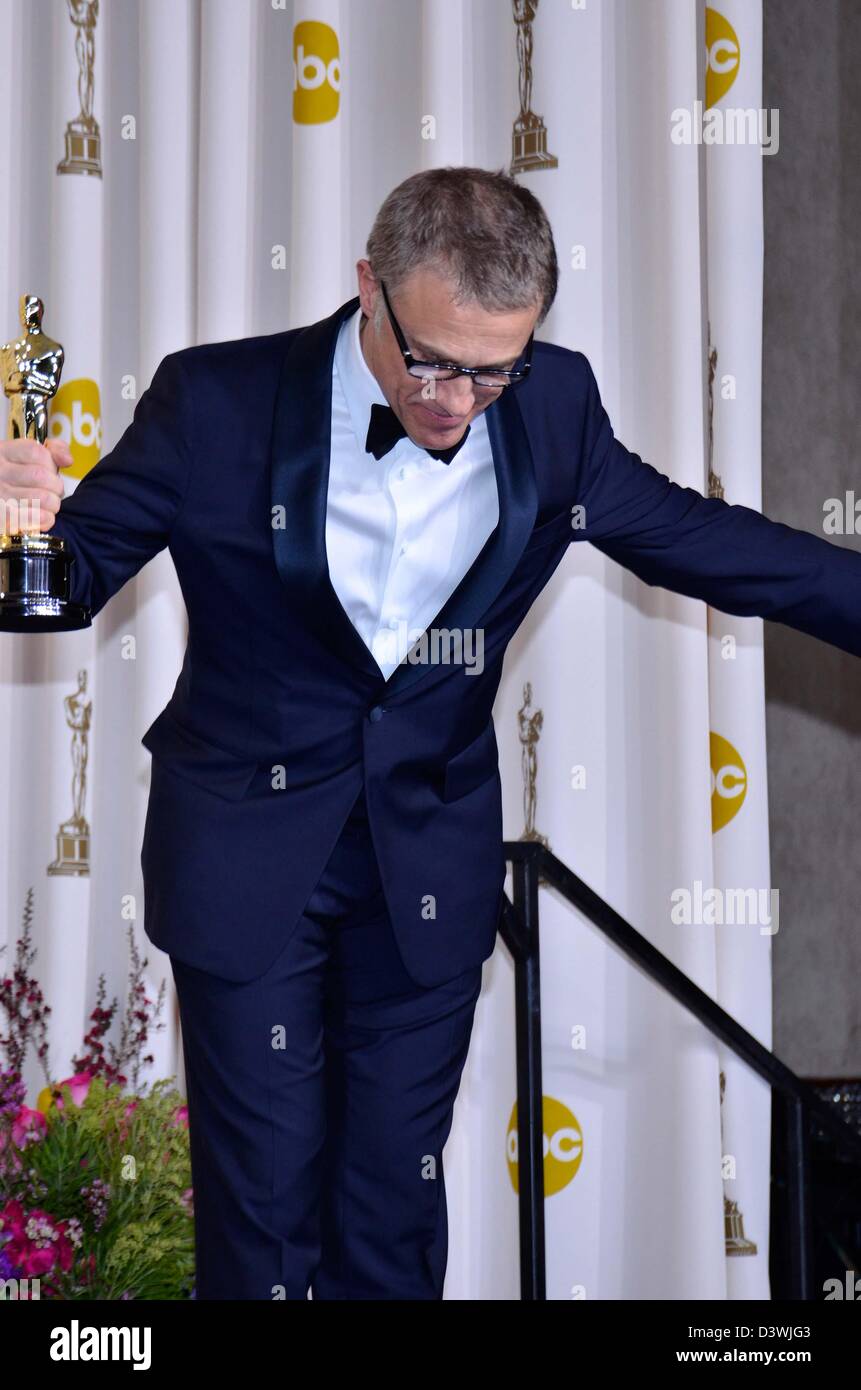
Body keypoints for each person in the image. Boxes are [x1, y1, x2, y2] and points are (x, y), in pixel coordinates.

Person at [1, 166, 858, 1300]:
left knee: (392, 1211)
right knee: (259, 1214)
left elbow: (710, 543)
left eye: (495, 369)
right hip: (249, 858)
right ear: (371, 286)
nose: (459, 399)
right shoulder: (215, 401)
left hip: (426, 868)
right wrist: (24, 533)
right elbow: (69, 579)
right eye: (435, 360)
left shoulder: (553, 407)